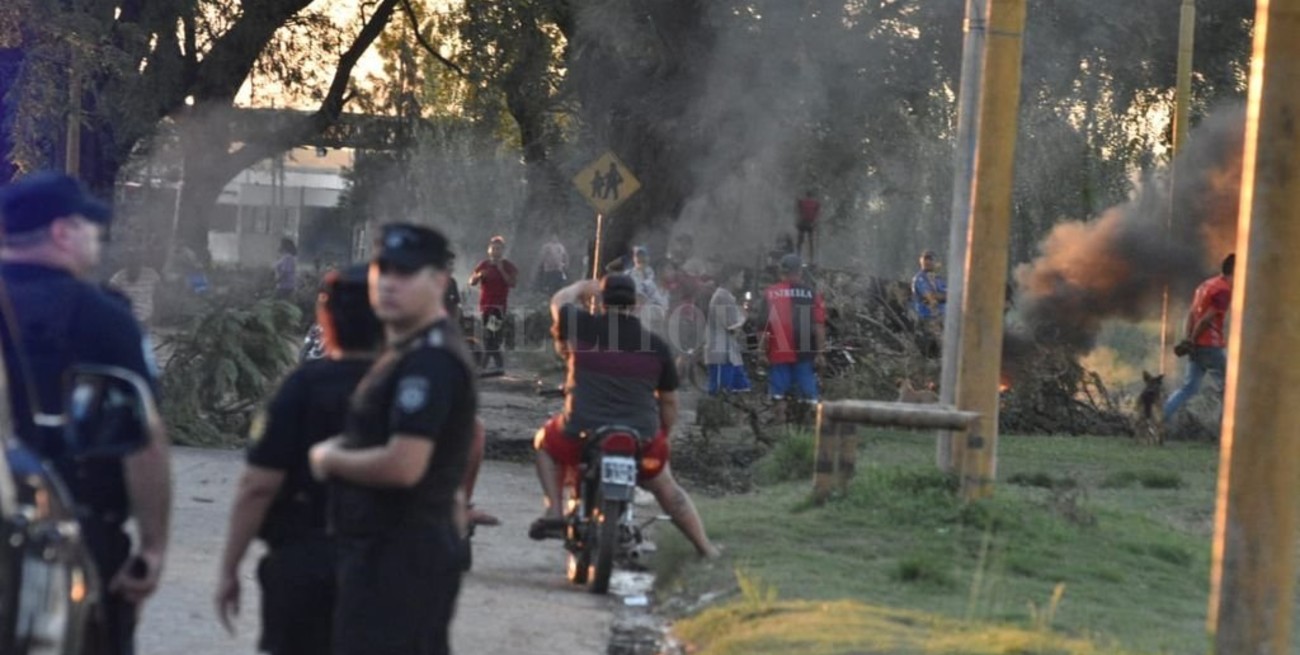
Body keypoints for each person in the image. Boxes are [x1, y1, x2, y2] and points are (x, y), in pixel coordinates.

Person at [0, 171, 172, 655]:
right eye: (90, 225)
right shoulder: (106, 319)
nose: (99, 236)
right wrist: (152, 548)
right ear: (60, 232)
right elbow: (144, 439)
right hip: (74, 534)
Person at [309, 223, 476, 655]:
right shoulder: (409, 349)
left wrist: (329, 458)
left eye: (405, 273)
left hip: (401, 556)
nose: (388, 283)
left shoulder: (430, 361)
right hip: (387, 549)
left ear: (439, 281)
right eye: (383, 270)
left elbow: (404, 464)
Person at [215, 265, 382, 655]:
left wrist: (229, 568)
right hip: (387, 569)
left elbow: (257, 487)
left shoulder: (303, 387)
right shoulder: (410, 385)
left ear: (325, 318)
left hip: (307, 562)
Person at [528, 275, 720, 558]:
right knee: (667, 488)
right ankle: (706, 549)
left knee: (544, 444)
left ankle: (555, 510)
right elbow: (669, 403)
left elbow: (558, 301)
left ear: (601, 302)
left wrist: (581, 287)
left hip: (582, 430)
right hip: (640, 435)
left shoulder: (582, 326)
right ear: (636, 305)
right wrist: (663, 435)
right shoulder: (656, 346)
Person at [1164, 253, 1235, 424]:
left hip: (1197, 346)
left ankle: (1159, 418)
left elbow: (1191, 313)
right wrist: (1192, 339)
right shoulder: (1224, 291)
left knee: (1189, 388)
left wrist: (1188, 338)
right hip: (1211, 346)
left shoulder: (1206, 285)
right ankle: (1229, 430)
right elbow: (1205, 319)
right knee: (1231, 388)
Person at [758, 254, 826, 423]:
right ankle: (810, 429)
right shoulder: (812, 294)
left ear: (781, 272)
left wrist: (760, 352)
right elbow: (819, 326)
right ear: (800, 272)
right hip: (805, 349)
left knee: (778, 394)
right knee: (809, 394)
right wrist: (821, 353)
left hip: (778, 350)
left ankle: (780, 431)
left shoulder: (770, 294)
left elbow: (762, 329)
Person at [469, 235, 518, 372]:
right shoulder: (483, 265)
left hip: (498, 306)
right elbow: (472, 282)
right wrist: (479, 275)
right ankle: (497, 365)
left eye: (499, 249)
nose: (496, 251)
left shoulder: (508, 266)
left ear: (503, 251)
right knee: (490, 336)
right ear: (489, 250)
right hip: (485, 305)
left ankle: (486, 365)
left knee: (491, 334)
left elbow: (512, 283)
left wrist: (501, 269)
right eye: (494, 248)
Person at [705, 268, 752, 395]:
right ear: (732, 277)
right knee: (719, 393)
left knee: (740, 390)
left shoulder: (728, 297)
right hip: (721, 354)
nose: (742, 281)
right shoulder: (722, 297)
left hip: (730, 355)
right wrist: (744, 316)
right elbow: (732, 326)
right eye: (741, 277)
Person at [911, 249, 947, 357]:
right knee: (940, 345)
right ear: (920, 261)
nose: (928, 261)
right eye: (925, 258)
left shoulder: (939, 279)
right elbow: (930, 297)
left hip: (942, 317)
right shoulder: (919, 279)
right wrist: (942, 297)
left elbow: (950, 294)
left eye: (930, 258)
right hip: (927, 318)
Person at [109, 258, 163, 325]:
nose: (134, 261)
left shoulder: (152, 275)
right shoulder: (117, 279)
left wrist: (155, 320)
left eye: (137, 257)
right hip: (125, 322)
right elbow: (111, 302)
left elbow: (160, 298)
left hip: (147, 322)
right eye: (131, 257)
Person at [795, 190, 820, 262]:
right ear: (811, 196)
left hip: (803, 223)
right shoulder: (815, 203)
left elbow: (799, 209)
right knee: (810, 241)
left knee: (800, 241)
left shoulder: (802, 202)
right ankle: (811, 259)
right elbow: (817, 211)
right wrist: (815, 223)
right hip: (810, 224)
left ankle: (798, 256)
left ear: (806, 195)